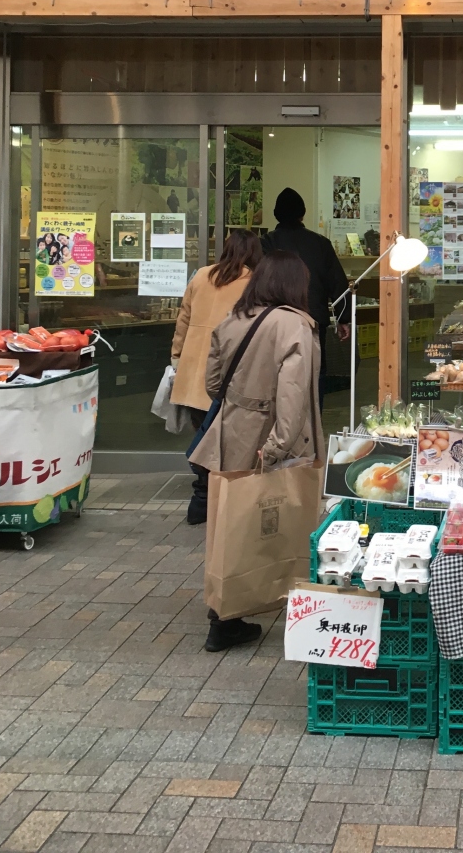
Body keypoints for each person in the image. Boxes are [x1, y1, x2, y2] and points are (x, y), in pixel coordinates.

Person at [189, 251, 324, 653]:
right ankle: (240, 611)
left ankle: (226, 612)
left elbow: (213, 383)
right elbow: (293, 395)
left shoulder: (233, 319)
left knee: (232, 519)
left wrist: (241, 405)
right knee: (272, 518)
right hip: (272, 437)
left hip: (232, 433)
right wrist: (278, 446)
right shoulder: (295, 325)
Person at [170, 228, 262, 525]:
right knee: (227, 440)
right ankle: (215, 500)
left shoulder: (201, 276)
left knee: (203, 433)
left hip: (193, 368)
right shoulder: (253, 281)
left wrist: (176, 356)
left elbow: (183, 320)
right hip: (229, 371)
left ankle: (202, 496)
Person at [261, 187, 351, 406]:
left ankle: (281, 422)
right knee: (314, 374)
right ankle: (313, 421)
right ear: (302, 214)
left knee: (276, 374)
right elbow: (338, 283)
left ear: (276, 215)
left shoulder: (266, 243)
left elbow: (256, 282)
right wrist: (343, 319)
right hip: (313, 320)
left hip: (275, 321)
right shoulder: (321, 243)